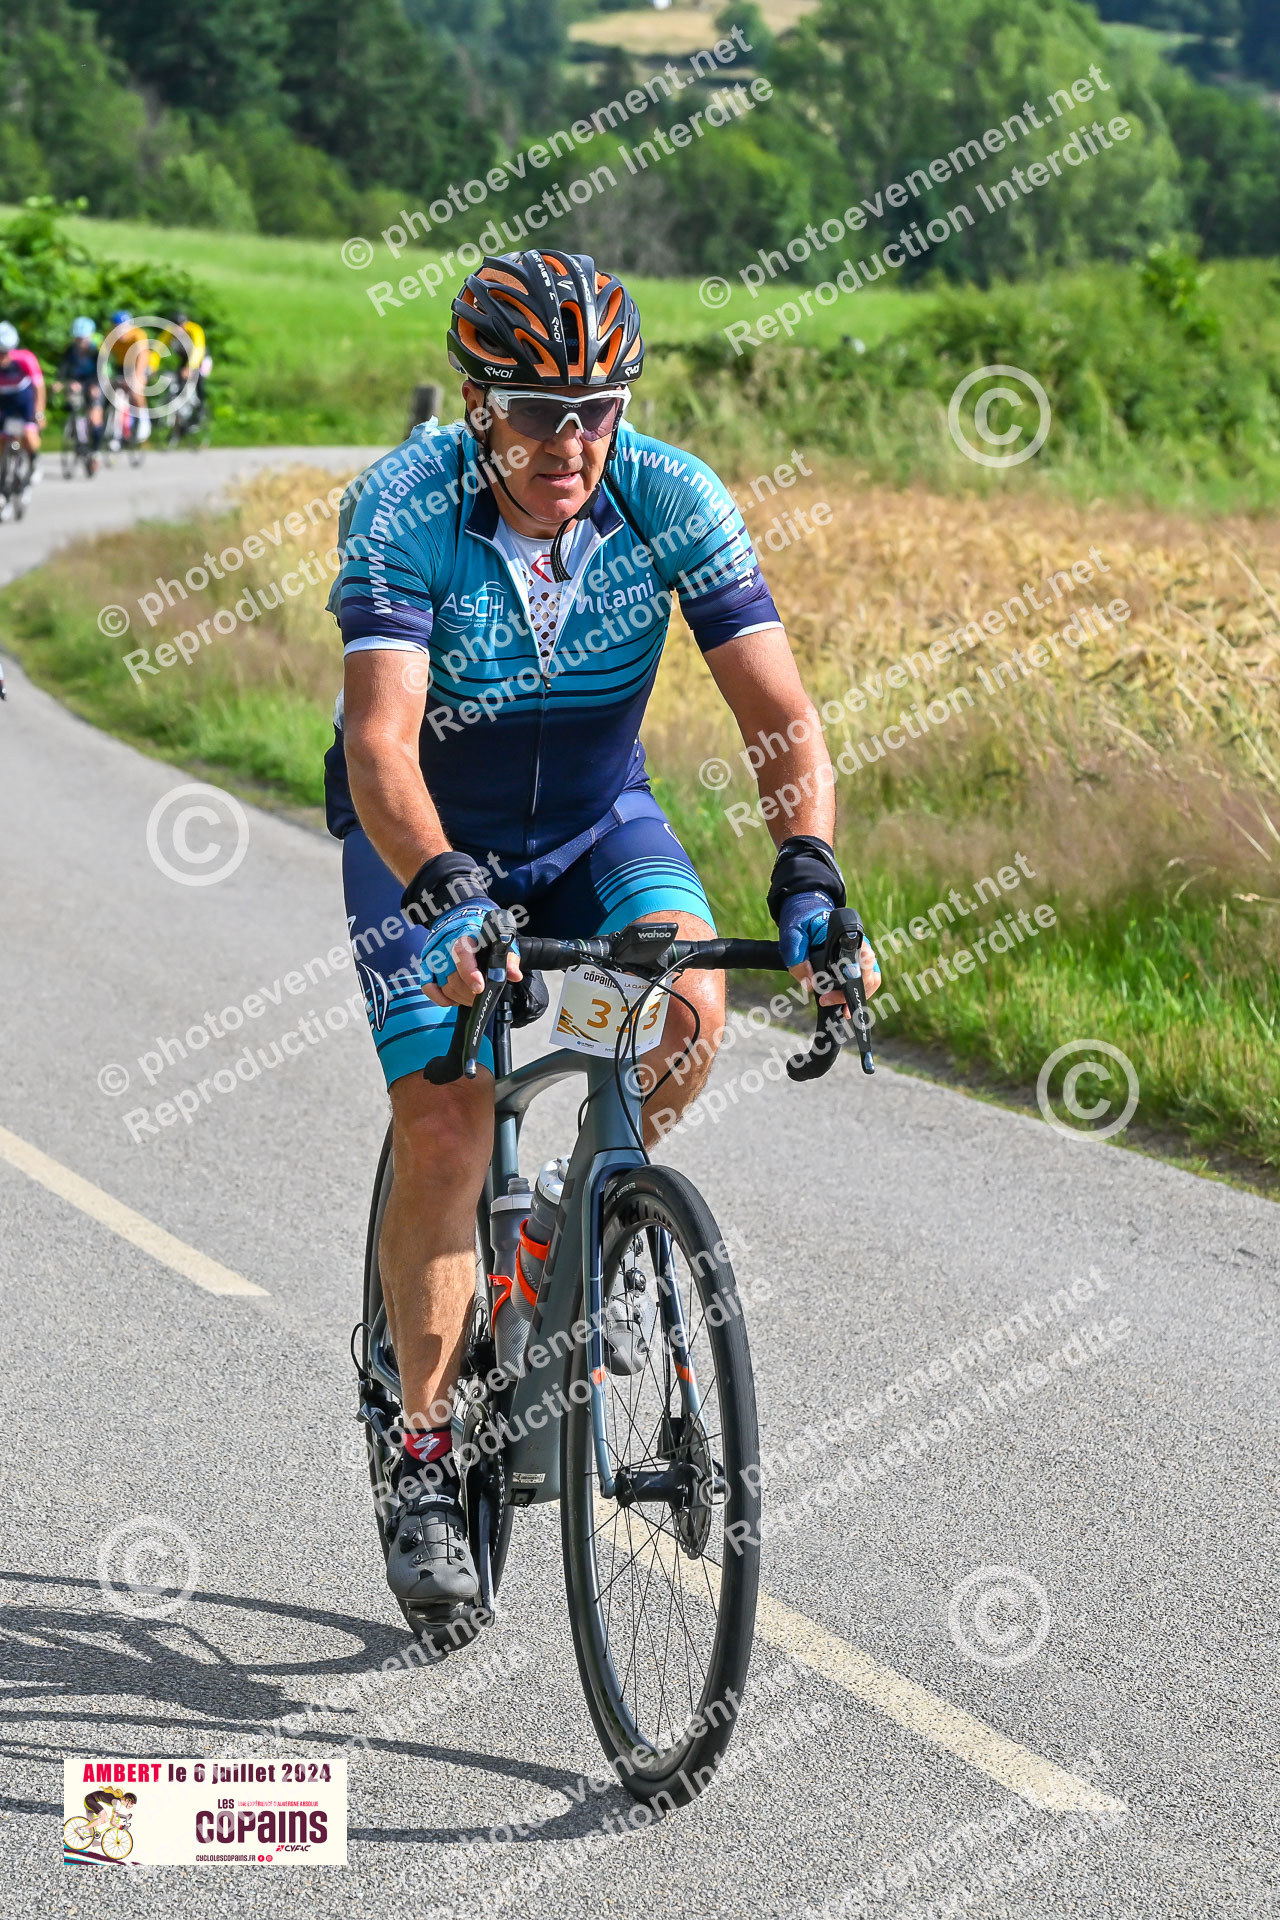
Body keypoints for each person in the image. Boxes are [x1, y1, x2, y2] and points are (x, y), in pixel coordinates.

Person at [325, 250, 880, 1610]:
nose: (569, 442)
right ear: (477, 404)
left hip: (593, 821)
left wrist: (809, 875)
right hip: (426, 840)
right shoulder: (406, 503)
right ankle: (422, 1443)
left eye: (597, 409)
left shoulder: (670, 495)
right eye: (537, 411)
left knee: (689, 1004)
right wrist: (444, 883)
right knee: (446, 1124)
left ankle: (587, 1233)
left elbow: (777, 716)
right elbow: (382, 743)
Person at [55, 317, 104, 463]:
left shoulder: (96, 351)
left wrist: (94, 386)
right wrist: (60, 382)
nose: (80, 342)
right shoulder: (70, 350)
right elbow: (63, 367)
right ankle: (77, 433)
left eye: (83, 339)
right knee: (73, 402)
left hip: (94, 383)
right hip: (76, 383)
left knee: (95, 418)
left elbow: (101, 372)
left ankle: (96, 451)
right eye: (78, 339)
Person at [0, 322, 46, 477]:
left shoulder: (25, 359)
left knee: (29, 436)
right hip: (4, 402)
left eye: (5, 353)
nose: (2, 357)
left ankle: (34, 461)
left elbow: (39, 386)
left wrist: (39, 412)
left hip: (23, 402)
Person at [104, 310, 153, 448]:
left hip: (140, 365)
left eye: (125, 328)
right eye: (118, 328)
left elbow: (142, 357)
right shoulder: (109, 336)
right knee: (112, 392)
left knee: (136, 390)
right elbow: (104, 358)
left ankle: (143, 421)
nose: (121, 332)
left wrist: (136, 377)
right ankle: (114, 430)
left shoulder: (138, 335)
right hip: (122, 365)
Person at [159, 310, 210, 417]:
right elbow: (158, 348)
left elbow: (198, 351)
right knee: (179, 378)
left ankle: (201, 407)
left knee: (199, 378)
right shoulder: (170, 332)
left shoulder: (195, 330)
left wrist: (190, 368)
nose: (178, 330)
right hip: (185, 359)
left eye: (181, 326)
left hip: (201, 360)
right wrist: (151, 365)